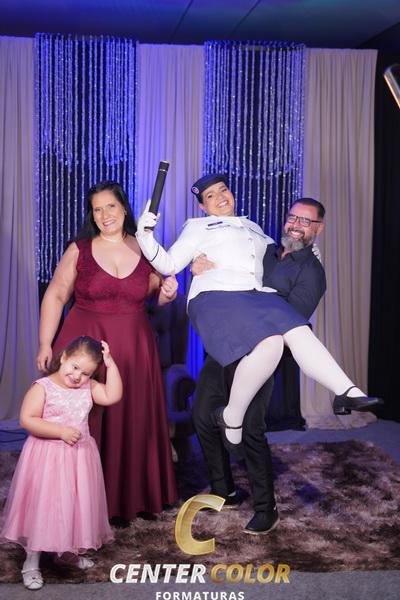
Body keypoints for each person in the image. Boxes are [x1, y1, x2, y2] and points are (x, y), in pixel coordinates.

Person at [136, 173, 381, 451]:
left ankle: (237, 416)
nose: (220, 197)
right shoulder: (197, 227)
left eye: (223, 190)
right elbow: (168, 264)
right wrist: (145, 236)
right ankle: (344, 391)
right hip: (215, 297)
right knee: (281, 332)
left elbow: (279, 252)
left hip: (252, 299)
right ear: (203, 206)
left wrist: (311, 252)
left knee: (277, 339)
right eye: (210, 196)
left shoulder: (254, 228)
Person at [36, 181, 178, 525]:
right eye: (97, 209)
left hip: (134, 348)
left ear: (124, 208)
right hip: (85, 347)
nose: (104, 215)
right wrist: (45, 343)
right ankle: (81, 501)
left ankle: (136, 497)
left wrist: (168, 294)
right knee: (87, 419)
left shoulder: (146, 248)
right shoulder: (80, 249)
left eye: (110, 206)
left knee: (135, 417)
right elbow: (56, 295)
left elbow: (156, 295)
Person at [191, 196, 328, 535]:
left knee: (251, 426)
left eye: (306, 221)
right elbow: (224, 264)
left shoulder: (312, 273)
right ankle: (224, 490)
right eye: (293, 217)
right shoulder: (263, 248)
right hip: (225, 343)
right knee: (203, 416)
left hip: (261, 355)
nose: (296, 225)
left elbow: (289, 321)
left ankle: (267, 508)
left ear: (319, 229)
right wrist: (200, 264)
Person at [1, 336, 122, 590]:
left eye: (86, 373)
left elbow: (112, 395)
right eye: (75, 367)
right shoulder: (43, 387)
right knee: (43, 506)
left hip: (79, 460)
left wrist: (110, 364)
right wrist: (60, 432)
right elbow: (27, 419)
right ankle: (31, 561)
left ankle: (67, 551)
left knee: (74, 505)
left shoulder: (88, 387)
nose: (77, 376)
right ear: (64, 356)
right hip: (47, 458)